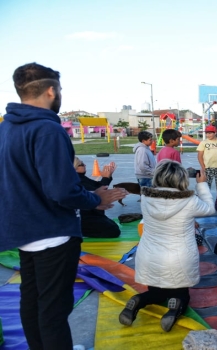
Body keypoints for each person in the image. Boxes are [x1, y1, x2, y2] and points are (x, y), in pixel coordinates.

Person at [0, 62, 127, 349]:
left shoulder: (6, 128)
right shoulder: (47, 130)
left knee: (32, 302)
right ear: (51, 90)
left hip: (23, 233)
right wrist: (97, 199)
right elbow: (62, 191)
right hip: (52, 234)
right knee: (54, 311)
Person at [119, 160, 215, 332]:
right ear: (182, 179)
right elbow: (210, 209)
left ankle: (139, 300)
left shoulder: (146, 198)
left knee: (157, 292)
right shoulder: (190, 201)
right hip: (178, 258)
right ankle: (176, 306)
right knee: (181, 293)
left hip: (149, 256)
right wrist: (202, 185)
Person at [74, 157, 121, 238]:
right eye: (81, 164)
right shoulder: (77, 180)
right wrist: (106, 178)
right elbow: (96, 192)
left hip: (91, 214)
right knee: (113, 231)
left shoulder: (80, 178)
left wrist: (107, 177)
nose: (85, 165)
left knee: (111, 225)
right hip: (85, 217)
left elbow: (97, 187)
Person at [197, 124, 217, 189]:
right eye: (206, 133)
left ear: (215, 133)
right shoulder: (203, 143)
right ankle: (205, 199)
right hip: (208, 167)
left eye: (210, 133)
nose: (208, 135)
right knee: (206, 186)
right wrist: (203, 167)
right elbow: (199, 156)